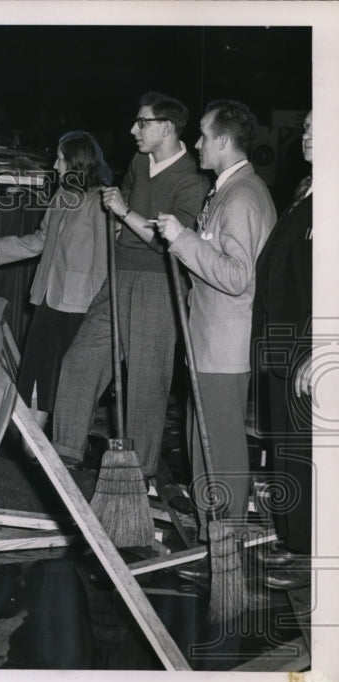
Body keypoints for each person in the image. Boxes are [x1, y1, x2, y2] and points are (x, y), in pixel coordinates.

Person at [52, 92, 210, 479]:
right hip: (118, 273)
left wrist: (125, 211)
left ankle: (136, 474)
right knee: (80, 360)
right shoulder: (140, 162)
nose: (133, 129)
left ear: (167, 128)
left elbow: (169, 242)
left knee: (145, 380)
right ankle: (66, 453)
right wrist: (116, 210)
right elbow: (122, 213)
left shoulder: (192, 180)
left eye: (143, 123)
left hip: (159, 283)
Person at [155, 99, 277, 538]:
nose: (197, 143)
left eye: (204, 135)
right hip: (207, 339)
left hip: (224, 345)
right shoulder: (226, 189)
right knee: (201, 440)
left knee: (220, 448)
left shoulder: (242, 196)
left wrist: (184, 240)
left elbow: (237, 276)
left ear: (223, 141)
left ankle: (226, 538)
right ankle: (213, 534)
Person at [0, 131, 113, 426]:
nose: (55, 166)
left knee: (68, 384)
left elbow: (106, 261)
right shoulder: (61, 196)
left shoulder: (100, 201)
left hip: (79, 307)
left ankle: (64, 449)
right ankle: (34, 447)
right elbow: (41, 240)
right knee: (36, 378)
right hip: (48, 300)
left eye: (61, 160)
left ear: (78, 163)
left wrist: (99, 307)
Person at [249, 110, 313, 590]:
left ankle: (311, 552)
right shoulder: (307, 191)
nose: (305, 134)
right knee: (288, 448)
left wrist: (319, 352)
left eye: (316, 127)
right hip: (282, 345)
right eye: (305, 126)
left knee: (309, 454)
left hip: (308, 350)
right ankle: (293, 540)